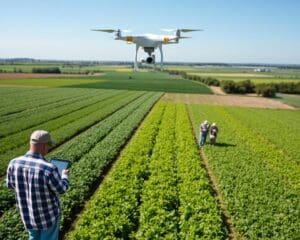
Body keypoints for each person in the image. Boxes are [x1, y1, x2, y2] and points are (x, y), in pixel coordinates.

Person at [6, 130, 69, 240]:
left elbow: (10, 185)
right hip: (48, 217)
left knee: (33, 237)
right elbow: (61, 189)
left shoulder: (14, 163)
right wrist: (64, 176)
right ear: (44, 146)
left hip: (28, 215)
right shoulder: (49, 168)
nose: (49, 149)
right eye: (49, 146)